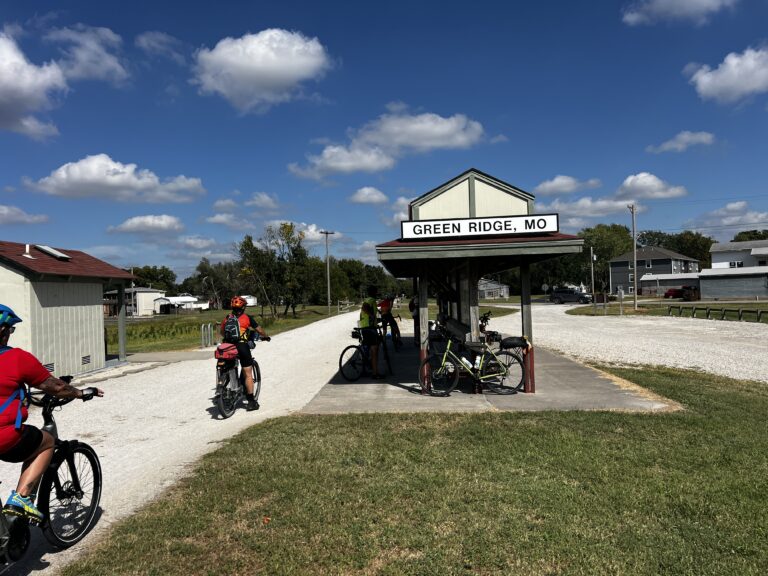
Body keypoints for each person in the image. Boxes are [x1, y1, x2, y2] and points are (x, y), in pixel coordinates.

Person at [0, 304, 103, 523]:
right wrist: (80, 392)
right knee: (47, 442)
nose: (9, 334)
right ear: (2, 331)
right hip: (4, 437)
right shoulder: (16, 358)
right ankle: (21, 498)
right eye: (9, 329)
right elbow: (56, 387)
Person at [221, 296, 271, 411]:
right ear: (243, 307)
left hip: (228, 347)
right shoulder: (247, 318)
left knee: (229, 366)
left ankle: (226, 386)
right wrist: (265, 336)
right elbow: (259, 330)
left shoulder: (227, 318)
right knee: (248, 373)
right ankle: (251, 402)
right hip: (242, 346)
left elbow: (222, 332)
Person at [359, 286, 383, 379]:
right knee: (374, 349)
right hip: (369, 328)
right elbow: (365, 307)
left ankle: (366, 369)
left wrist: (377, 318)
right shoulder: (371, 300)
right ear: (374, 292)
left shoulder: (368, 299)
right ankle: (375, 374)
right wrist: (372, 316)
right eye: (377, 291)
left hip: (366, 327)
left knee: (368, 349)